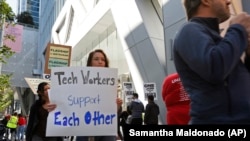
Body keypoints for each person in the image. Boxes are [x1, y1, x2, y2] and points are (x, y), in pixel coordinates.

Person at [173, 0, 250, 124]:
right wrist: (238, 28)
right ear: (206, 1)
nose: (229, 2)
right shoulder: (188, 30)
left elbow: (237, 81)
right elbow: (216, 68)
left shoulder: (216, 40)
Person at [76, 49, 123, 141]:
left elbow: (114, 111)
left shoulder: (111, 82)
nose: (100, 62)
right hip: (84, 129)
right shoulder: (79, 81)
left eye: (103, 59)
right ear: (90, 62)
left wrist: (117, 105)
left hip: (105, 130)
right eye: (96, 59)